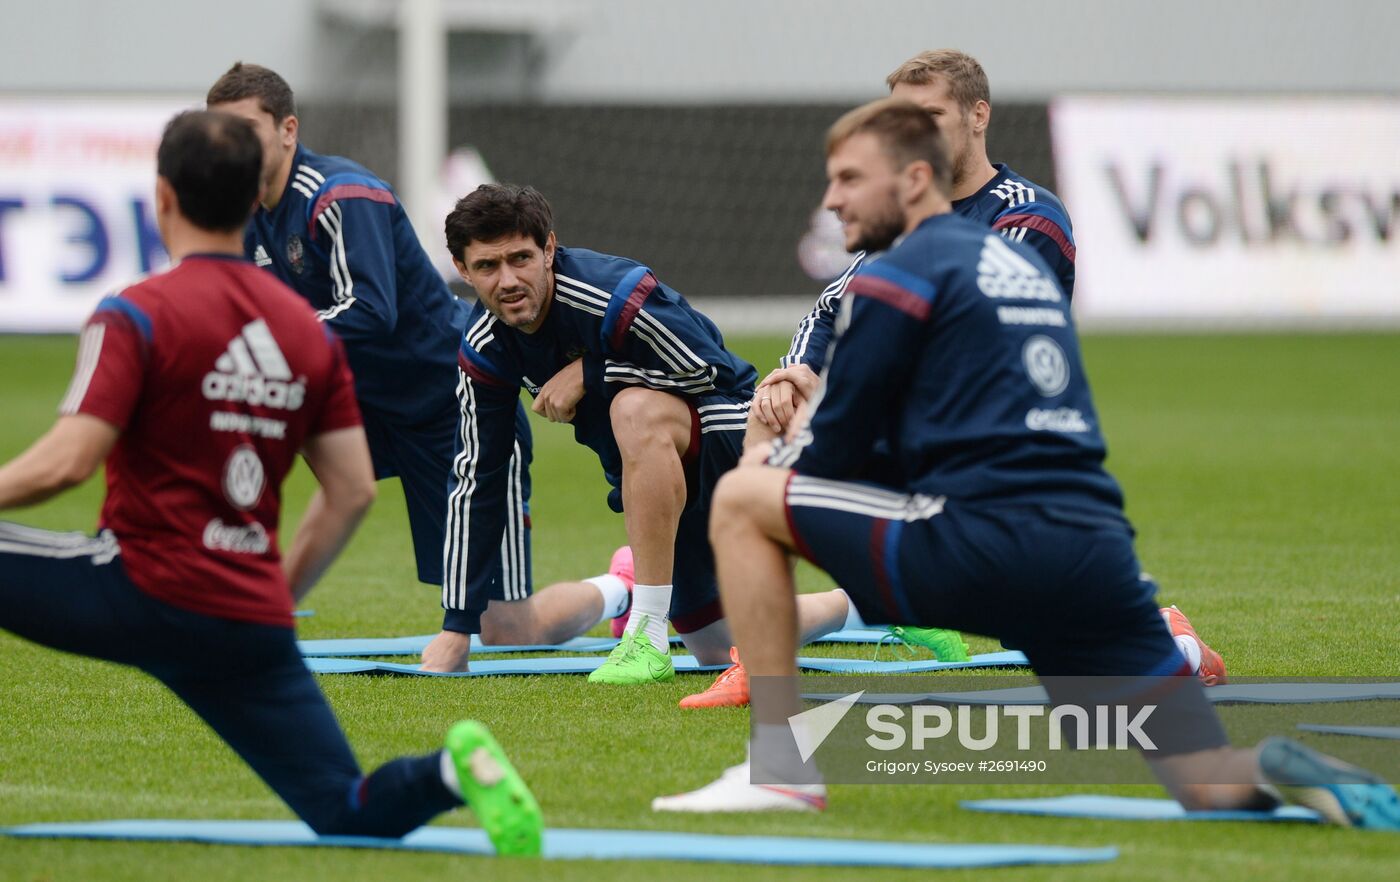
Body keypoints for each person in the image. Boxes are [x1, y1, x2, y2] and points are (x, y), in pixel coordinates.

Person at [652, 99, 1399, 829]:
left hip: (986, 544)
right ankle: (1267, 764)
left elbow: (836, 457)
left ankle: (781, 773)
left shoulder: (895, 274)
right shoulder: (1015, 262)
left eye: (849, 179)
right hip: (1096, 555)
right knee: (1204, 781)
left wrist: (773, 440)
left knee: (744, 498)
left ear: (914, 180)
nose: (831, 200)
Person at [0, 111, 543, 852]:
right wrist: (275, 603)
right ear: (255, 196)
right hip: (246, 614)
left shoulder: (135, 311)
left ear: (162, 198)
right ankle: (451, 774)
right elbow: (351, 489)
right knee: (343, 808)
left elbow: (68, 460)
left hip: (141, 587)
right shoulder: (304, 332)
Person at [713, 49, 1221, 706]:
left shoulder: (1023, 218)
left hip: (984, 464)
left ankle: (777, 739)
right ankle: (773, 657)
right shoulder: (902, 235)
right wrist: (792, 373)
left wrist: (810, 427)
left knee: (755, 495)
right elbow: (833, 302)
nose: (910, 130)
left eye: (928, 115)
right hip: (1033, 489)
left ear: (978, 115)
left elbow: (956, 338)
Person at [206, 63, 630, 673]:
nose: (230, 146)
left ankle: (621, 585)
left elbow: (371, 312)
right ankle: (261, 620)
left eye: (244, 128)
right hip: (367, 406)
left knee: (505, 628)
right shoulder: (244, 218)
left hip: (452, 407)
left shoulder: (340, 197)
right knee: (304, 466)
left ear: (288, 130)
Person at [442, 184, 861, 684]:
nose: (508, 280)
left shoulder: (613, 293)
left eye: (521, 259)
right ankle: (869, 606)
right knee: (721, 647)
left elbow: (712, 370)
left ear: (549, 250)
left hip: (731, 437)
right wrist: (456, 628)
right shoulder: (484, 348)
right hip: (657, 478)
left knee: (633, 408)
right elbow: (477, 476)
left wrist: (591, 373)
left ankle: (644, 632)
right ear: (463, 270)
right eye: (488, 266)